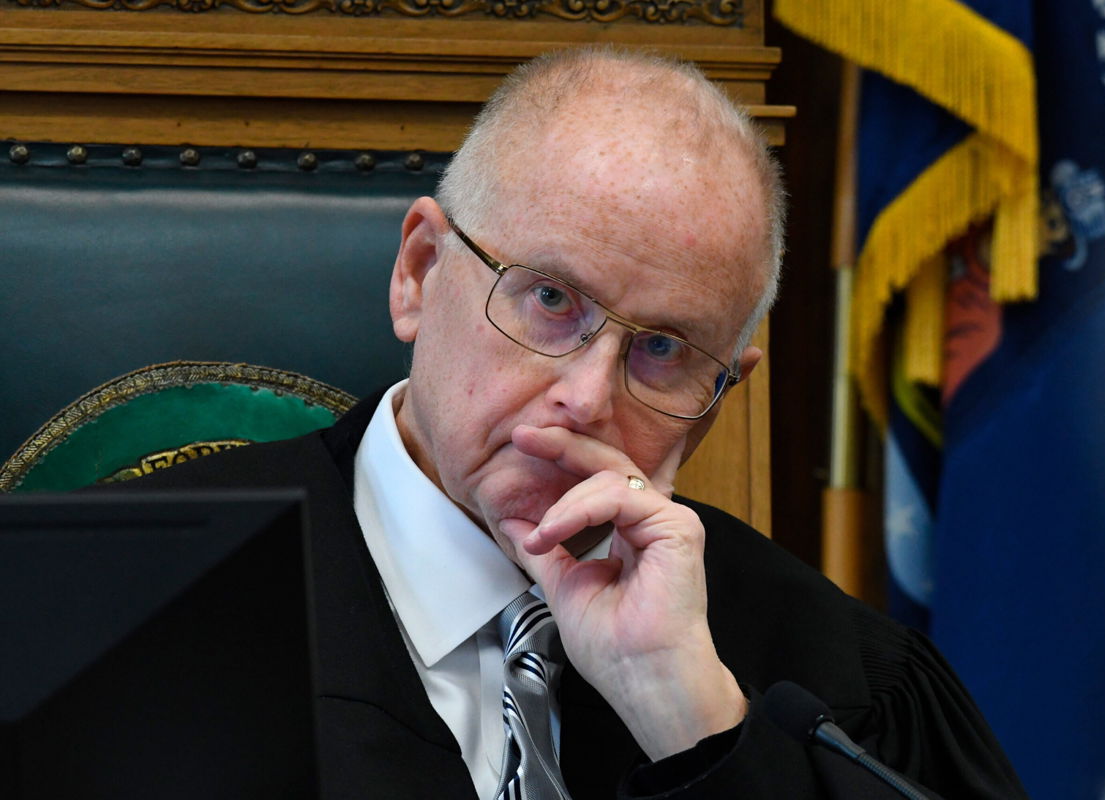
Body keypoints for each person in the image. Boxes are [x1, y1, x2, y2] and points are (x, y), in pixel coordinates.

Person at [120, 47, 1026, 798]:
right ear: (420, 271)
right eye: (551, 298)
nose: (587, 396)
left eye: (664, 350)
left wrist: (689, 714)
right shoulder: (133, 604)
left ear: (720, 397)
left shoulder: (841, 681)